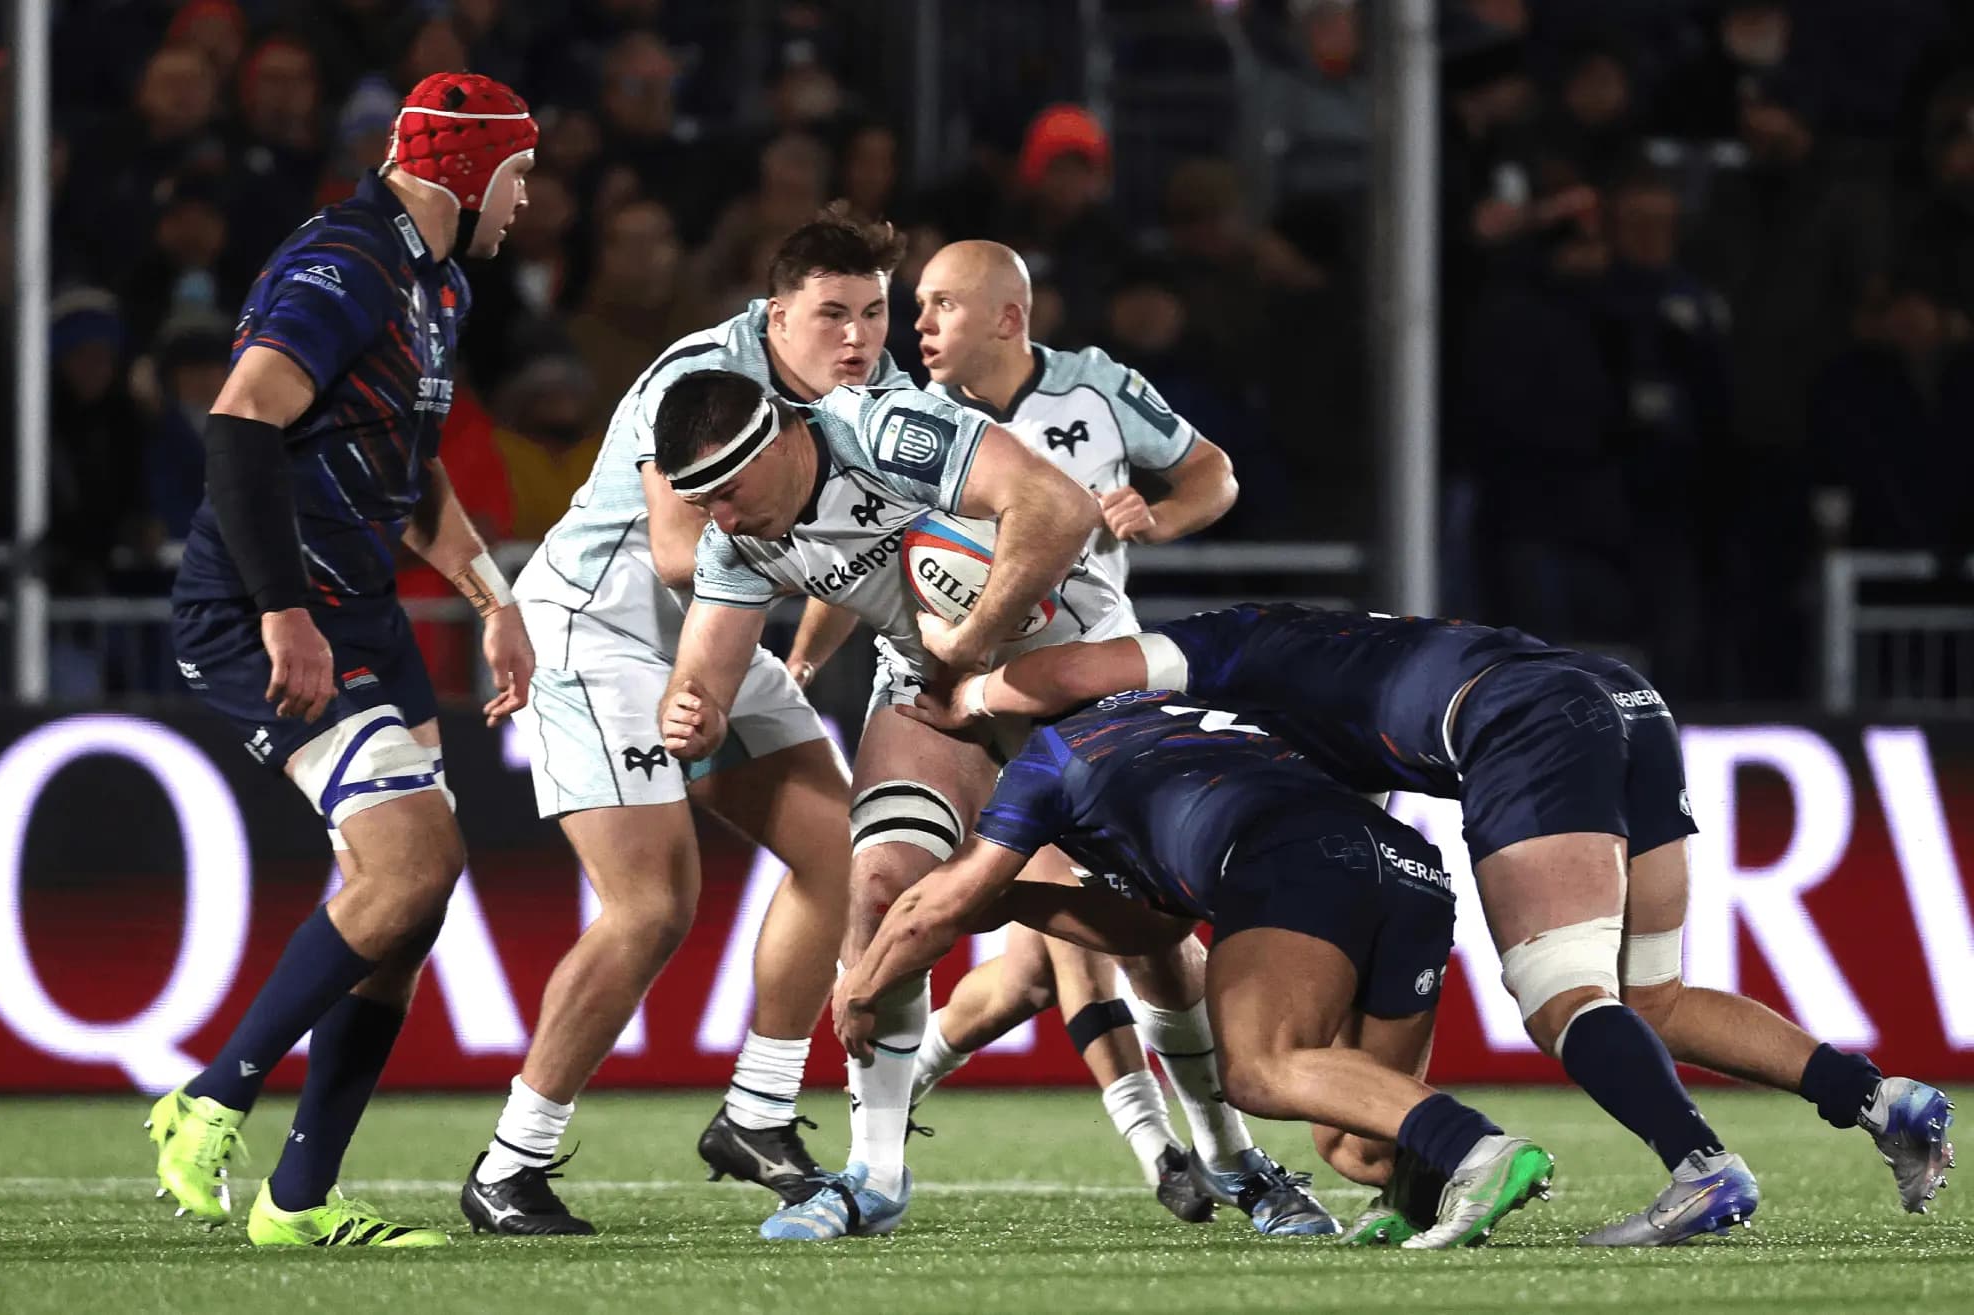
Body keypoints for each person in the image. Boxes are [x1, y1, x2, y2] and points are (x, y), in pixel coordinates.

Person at [906, 603, 1959, 1241]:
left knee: (1559, 996)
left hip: (1519, 718)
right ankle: (1881, 1098)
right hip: (1618, 695)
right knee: (1655, 998)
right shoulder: (1306, 665)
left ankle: (1699, 1169)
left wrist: (972, 688)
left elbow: (1082, 673)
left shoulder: (1223, 653)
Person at [152, 72, 539, 1249]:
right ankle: (208, 1096)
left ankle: (298, 1198)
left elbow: (407, 470)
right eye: (518, 176)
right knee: (413, 860)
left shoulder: (438, 283)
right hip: (268, 606)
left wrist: (492, 597)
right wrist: (282, 612)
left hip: (356, 605)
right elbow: (239, 418)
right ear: (466, 172)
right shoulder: (347, 261)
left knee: (408, 909)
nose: (527, 201)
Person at [460, 215, 904, 1236]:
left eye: (873, 313)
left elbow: (854, 534)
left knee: (841, 850)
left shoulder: (866, 398)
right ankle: (508, 1164)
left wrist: (807, 646)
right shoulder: (704, 378)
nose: (856, 337)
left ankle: (755, 1112)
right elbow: (674, 551)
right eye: (831, 314)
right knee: (652, 903)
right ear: (776, 312)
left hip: (723, 629)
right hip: (602, 630)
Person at [651, 368, 1133, 1241]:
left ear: (782, 439)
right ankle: (874, 1172)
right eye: (700, 500)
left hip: (1080, 662)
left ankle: (1231, 1160)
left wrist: (976, 642)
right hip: (931, 682)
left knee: (1159, 931)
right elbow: (704, 679)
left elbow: (1060, 509)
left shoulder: (882, 434)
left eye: (725, 490)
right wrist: (692, 713)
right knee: (875, 889)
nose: (715, 518)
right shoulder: (743, 539)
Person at [833, 688, 1556, 1250]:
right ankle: (1424, 1196)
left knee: (1256, 1069)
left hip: (1294, 866)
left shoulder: (1048, 757)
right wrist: (1024, 902)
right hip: (1408, 865)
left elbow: (934, 906)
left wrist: (862, 987)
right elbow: (1155, 927)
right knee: (1358, 1144)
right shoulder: (1189, 712)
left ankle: (1476, 1146)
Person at [893, 238, 1267, 1224]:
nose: (918, 325)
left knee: (1061, 952)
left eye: (938, 304)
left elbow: (1212, 474)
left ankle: (884, 1112)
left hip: (1093, 687)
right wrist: (809, 649)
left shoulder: (1097, 390)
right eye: (916, 305)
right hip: (963, 703)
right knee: (1108, 933)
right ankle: (1222, 1157)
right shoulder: (902, 421)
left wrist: (1159, 516)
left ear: (1008, 318)